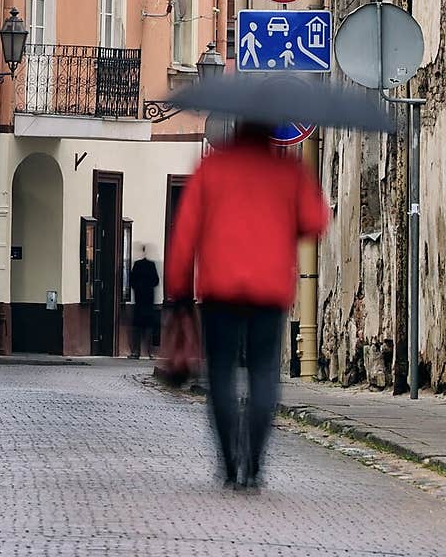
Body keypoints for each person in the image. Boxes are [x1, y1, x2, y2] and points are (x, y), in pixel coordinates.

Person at [165, 123, 329, 489]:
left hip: (219, 290)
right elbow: (316, 220)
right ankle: (253, 460)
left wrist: (178, 291)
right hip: (269, 290)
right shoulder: (287, 170)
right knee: (264, 374)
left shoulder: (213, 168)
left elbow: (185, 233)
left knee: (221, 375)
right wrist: (283, 223)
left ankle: (228, 462)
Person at [129, 246, 160, 359]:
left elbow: (131, 281)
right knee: (148, 328)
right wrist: (148, 288)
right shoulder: (151, 265)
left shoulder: (137, 265)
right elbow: (156, 281)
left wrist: (138, 288)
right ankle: (150, 353)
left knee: (137, 328)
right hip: (148, 300)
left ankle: (136, 352)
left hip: (139, 300)